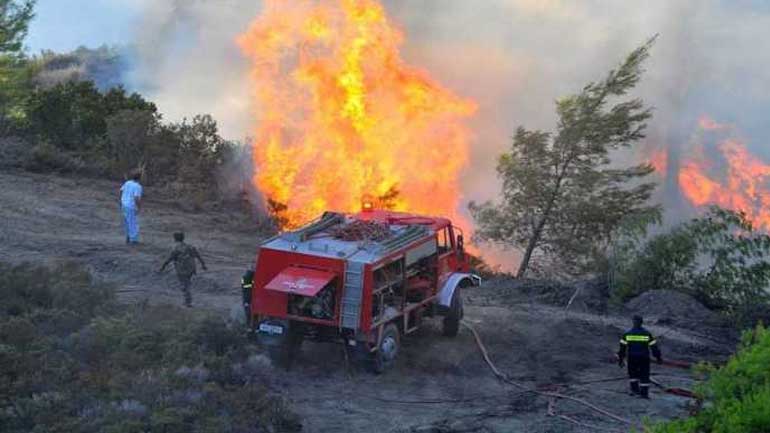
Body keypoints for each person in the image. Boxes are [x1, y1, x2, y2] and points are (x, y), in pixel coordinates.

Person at [617, 315, 662, 399]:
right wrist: (658, 358)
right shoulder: (647, 334)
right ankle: (644, 394)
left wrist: (620, 360)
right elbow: (654, 347)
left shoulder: (627, 334)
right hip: (644, 358)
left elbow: (622, 349)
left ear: (633, 322)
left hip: (632, 357)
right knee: (644, 375)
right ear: (641, 323)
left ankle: (635, 390)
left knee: (633, 374)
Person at [159, 232, 207, 307]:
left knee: (184, 285)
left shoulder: (176, 248)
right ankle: (188, 300)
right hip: (191, 268)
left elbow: (169, 259)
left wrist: (162, 267)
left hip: (182, 269)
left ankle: (188, 302)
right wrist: (203, 265)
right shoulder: (189, 246)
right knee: (187, 283)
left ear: (175, 239)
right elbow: (198, 255)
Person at [120, 170, 143, 244]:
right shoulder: (138, 186)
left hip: (124, 204)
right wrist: (139, 207)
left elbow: (121, 191)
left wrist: (123, 199)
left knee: (127, 221)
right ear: (140, 178)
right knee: (133, 223)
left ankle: (128, 237)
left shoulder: (127, 183)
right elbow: (136, 198)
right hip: (130, 206)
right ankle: (134, 240)